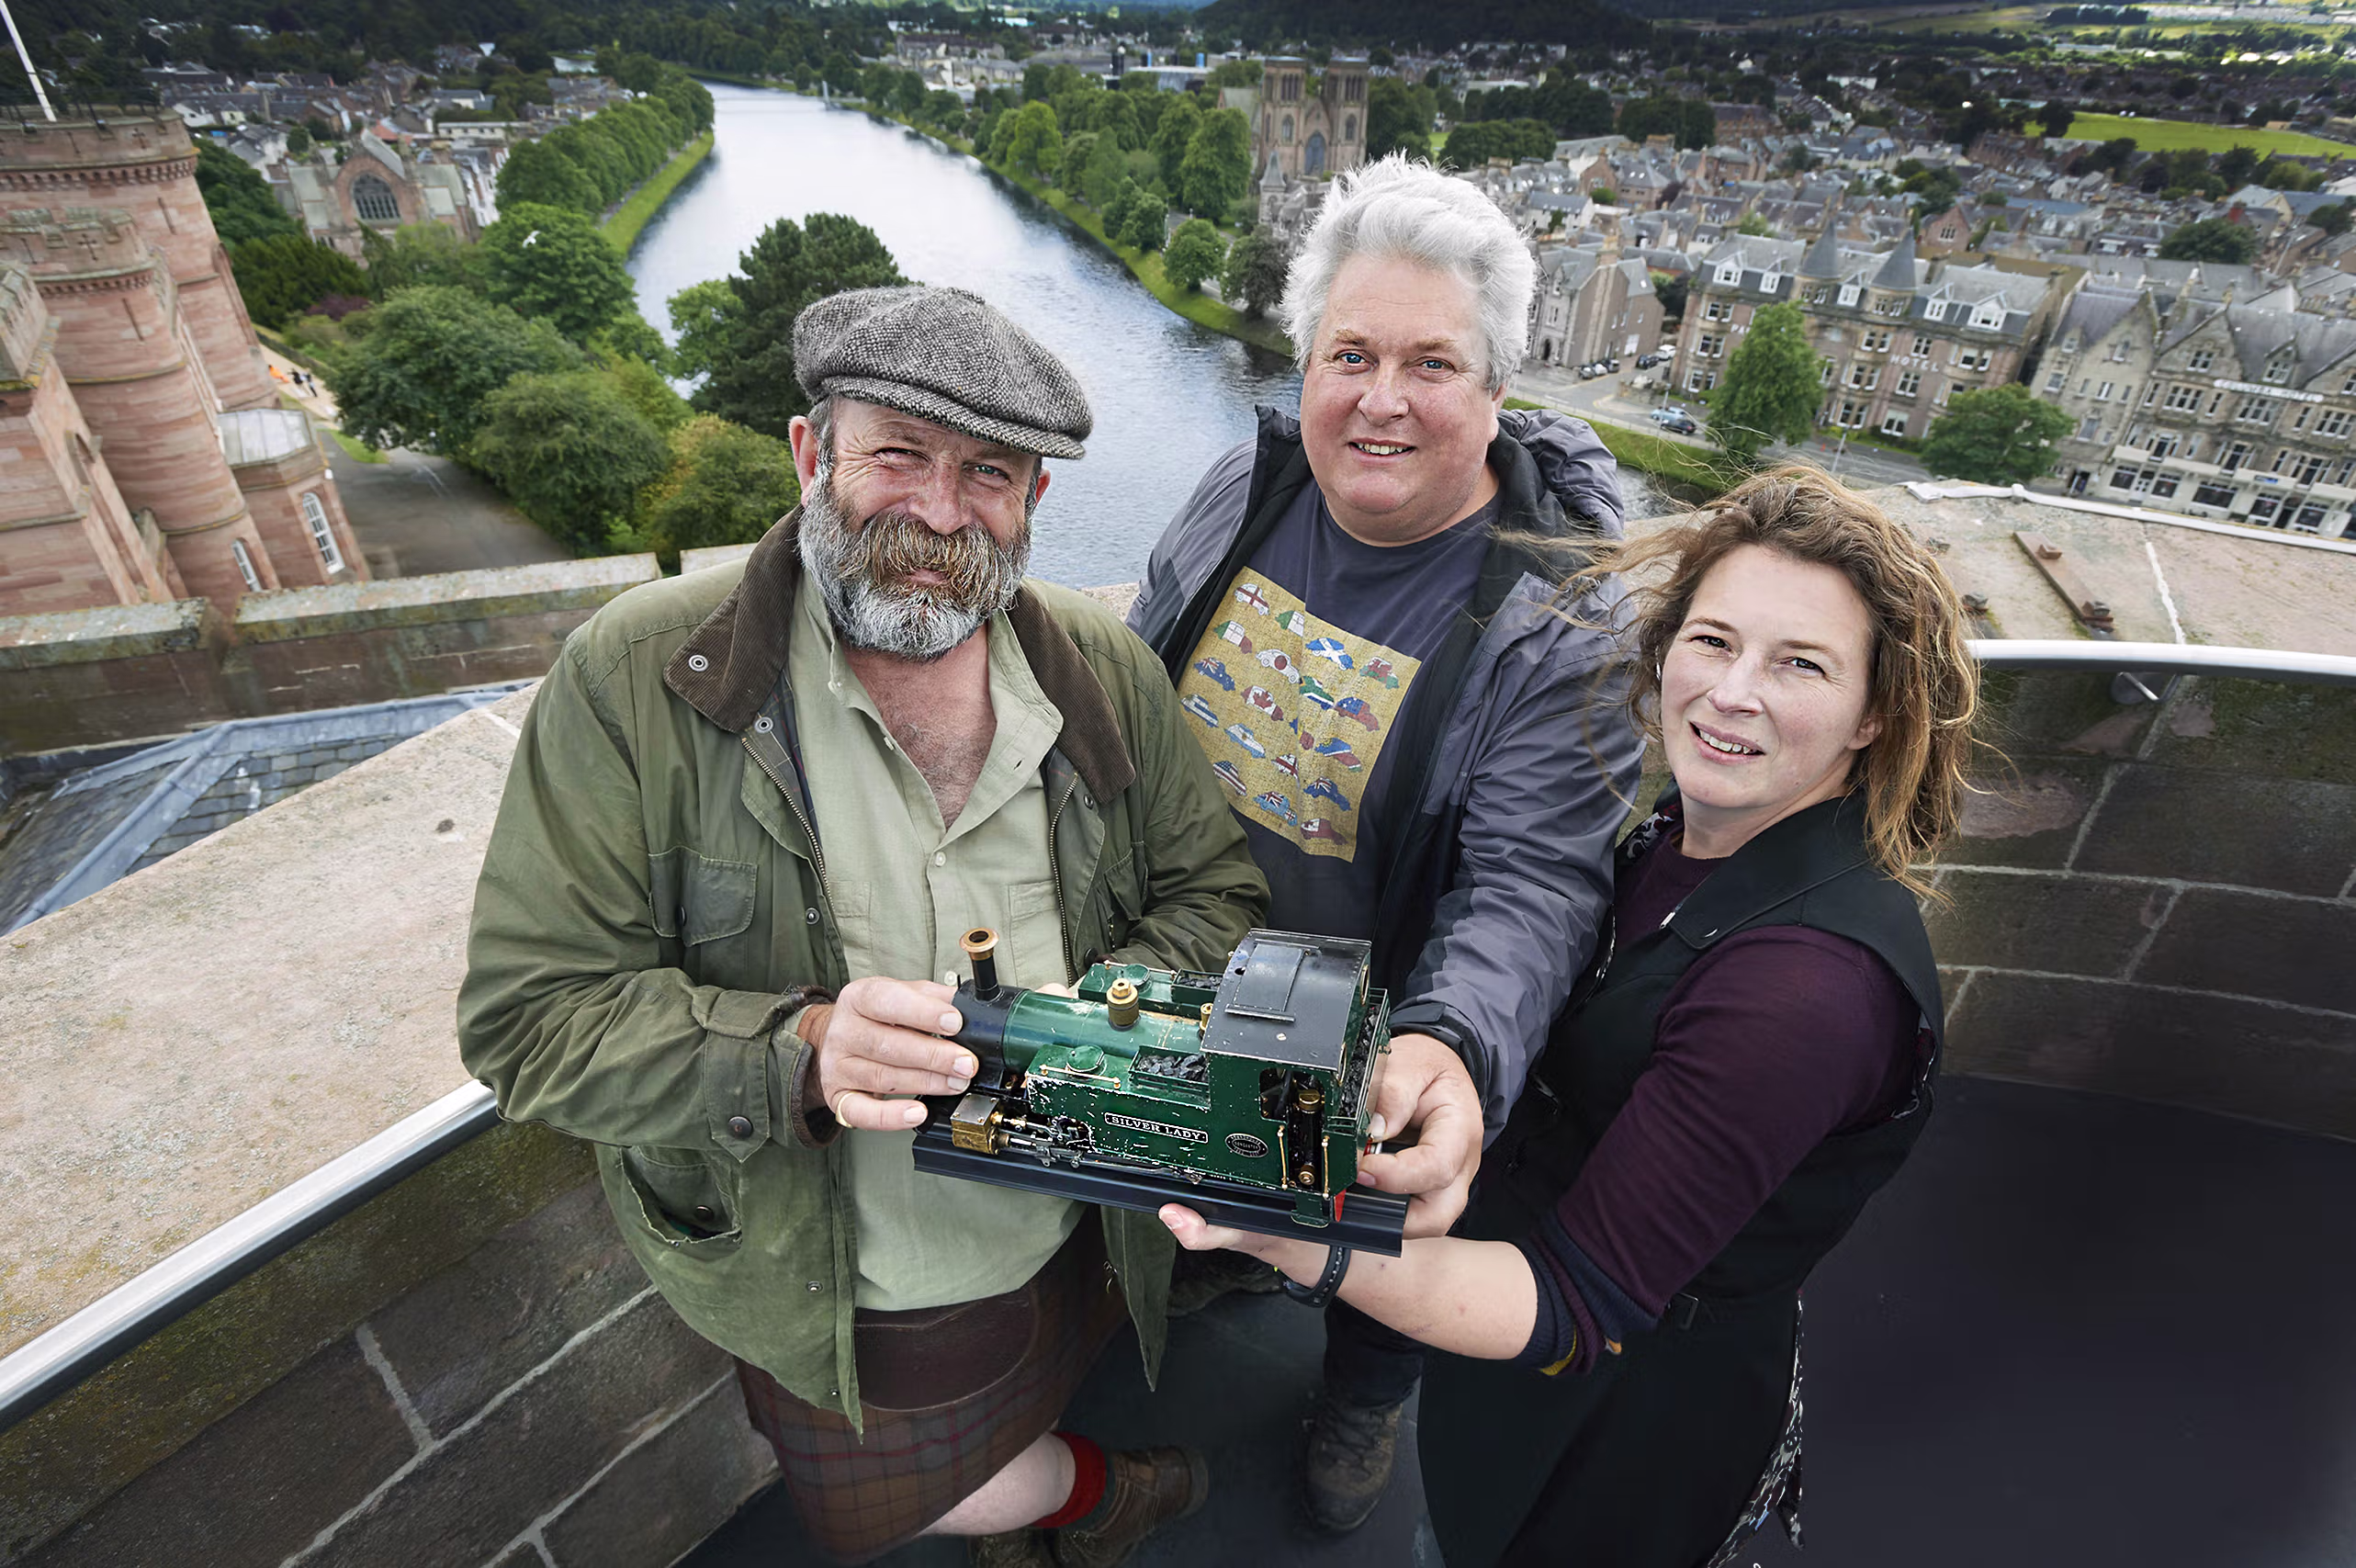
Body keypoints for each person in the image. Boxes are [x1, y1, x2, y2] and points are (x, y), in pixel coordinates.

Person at [457, 286, 1270, 1568]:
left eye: (988, 474)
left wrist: (1083, 1037)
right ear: (808, 453)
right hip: (840, 1279)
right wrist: (800, 1051)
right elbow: (527, 1020)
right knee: (882, 1493)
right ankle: (1098, 1494)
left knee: (1042, 1391)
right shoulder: (632, 679)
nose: (939, 513)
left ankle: (1050, 1486)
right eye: (898, 453)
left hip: (1082, 1227)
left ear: (1033, 506)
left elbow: (1215, 897)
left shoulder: (1104, 673)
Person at [1162, 467, 1981, 1567]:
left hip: (1609, 1418)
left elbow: (1571, 1301)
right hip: (1515, 1336)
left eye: (1801, 664)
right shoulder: (1693, 840)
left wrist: (1283, 1229)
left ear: (1875, 712)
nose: (1733, 693)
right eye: (1714, 640)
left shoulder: (1803, 995)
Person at [1125, 152, 1643, 1531]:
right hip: (1197, 978)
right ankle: (1232, 1249)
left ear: (1494, 391)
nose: (1381, 397)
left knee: (1387, 1226)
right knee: (1224, 1189)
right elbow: (1127, 676)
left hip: (1383, 1021)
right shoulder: (1248, 486)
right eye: (1348, 351)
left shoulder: (1559, 617)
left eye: (1431, 361)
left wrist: (1453, 1046)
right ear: (1305, 362)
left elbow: (1533, 882)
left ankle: (1365, 1385)